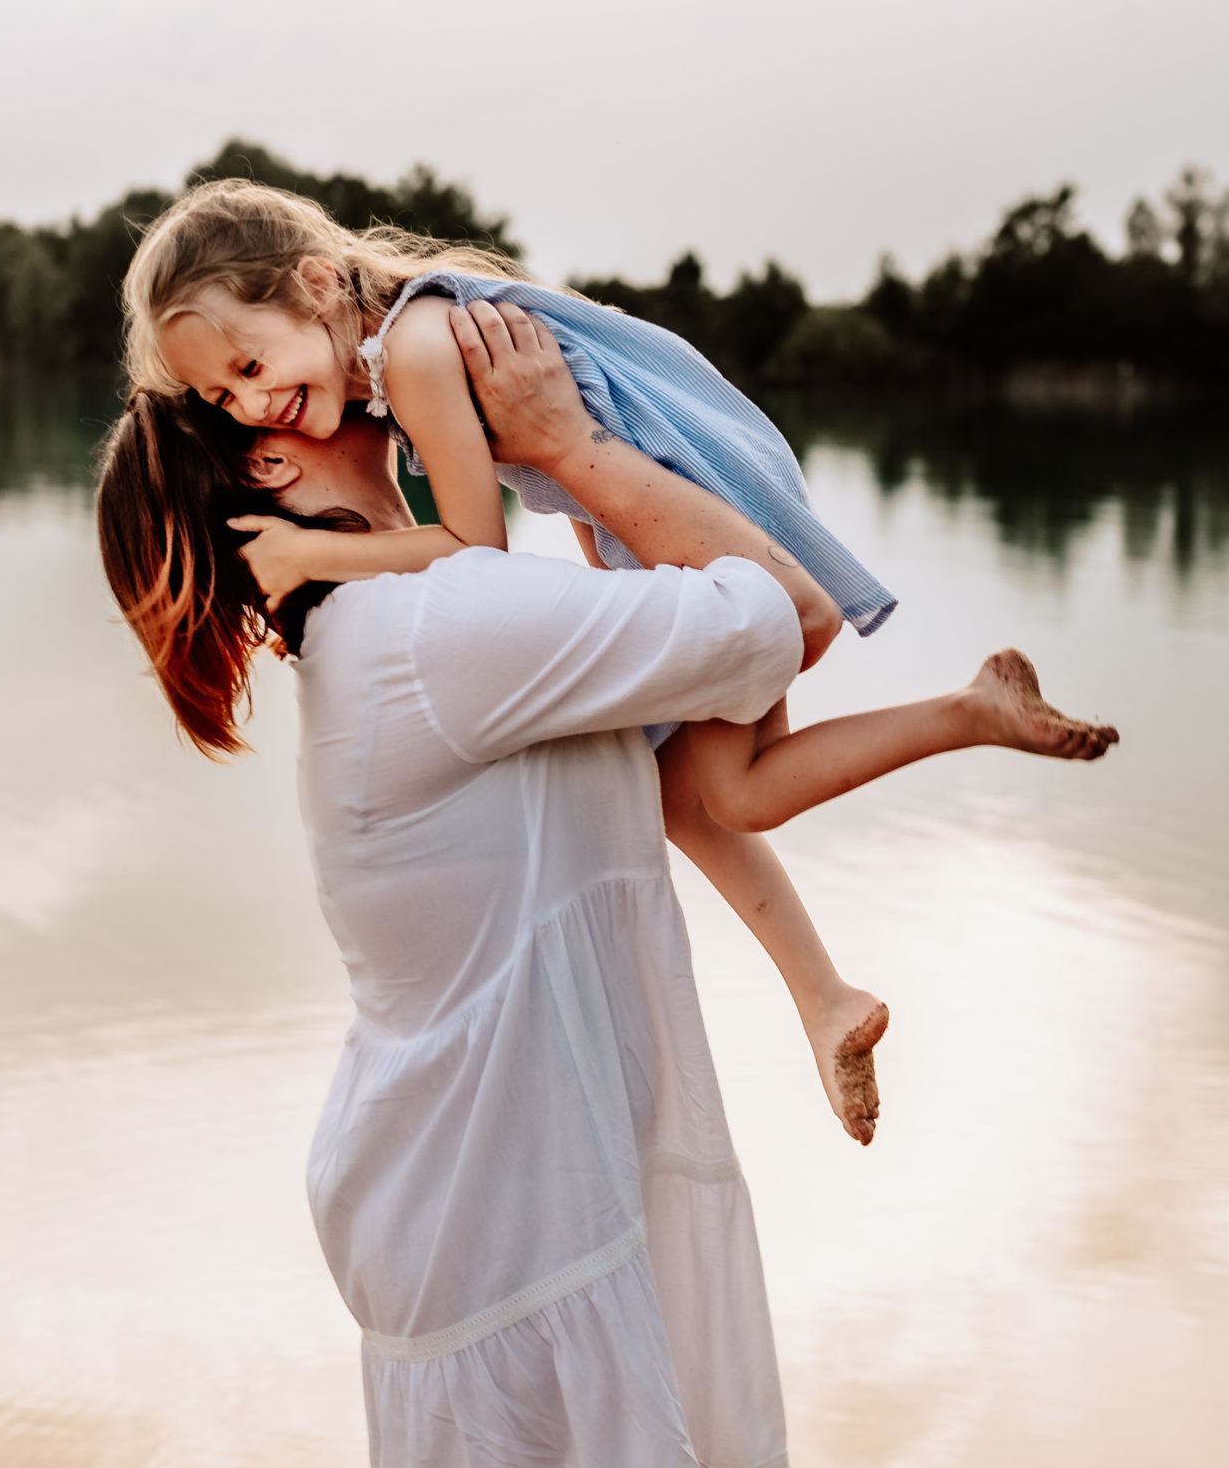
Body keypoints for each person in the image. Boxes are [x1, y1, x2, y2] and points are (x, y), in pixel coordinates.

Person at [94, 303, 1123, 1468]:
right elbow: (774, 611)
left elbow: (689, 779)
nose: (307, 381)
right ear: (267, 465)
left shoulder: (386, 626)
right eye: (247, 391)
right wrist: (573, 447)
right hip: (493, 1219)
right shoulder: (436, 628)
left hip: (475, 1192)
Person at [119, 179, 1117, 1139]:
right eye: (220, 394)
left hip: (681, 471)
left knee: (726, 792)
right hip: (637, 484)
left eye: (248, 369)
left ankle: (937, 776)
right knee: (698, 792)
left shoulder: (416, 350)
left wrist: (311, 549)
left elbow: (473, 547)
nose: (250, 406)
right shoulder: (379, 367)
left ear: (318, 286)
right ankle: (836, 976)